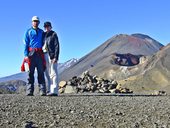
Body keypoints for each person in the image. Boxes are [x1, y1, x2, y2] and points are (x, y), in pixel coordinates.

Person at [23, 16, 46, 96]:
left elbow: (44, 42)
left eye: (37, 21)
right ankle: (29, 91)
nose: (35, 22)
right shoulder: (28, 31)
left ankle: (42, 91)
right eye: (34, 21)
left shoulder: (41, 32)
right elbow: (25, 44)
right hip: (30, 54)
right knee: (30, 72)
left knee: (41, 72)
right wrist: (26, 55)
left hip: (39, 53)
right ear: (32, 22)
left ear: (39, 22)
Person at [43, 21, 60, 96]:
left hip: (52, 56)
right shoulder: (44, 35)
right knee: (47, 73)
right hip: (44, 55)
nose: (47, 28)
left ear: (50, 27)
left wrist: (56, 57)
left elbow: (57, 46)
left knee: (53, 72)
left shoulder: (53, 34)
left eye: (48, 26)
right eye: (45, 26)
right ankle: (49, 90)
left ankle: (55, 91)